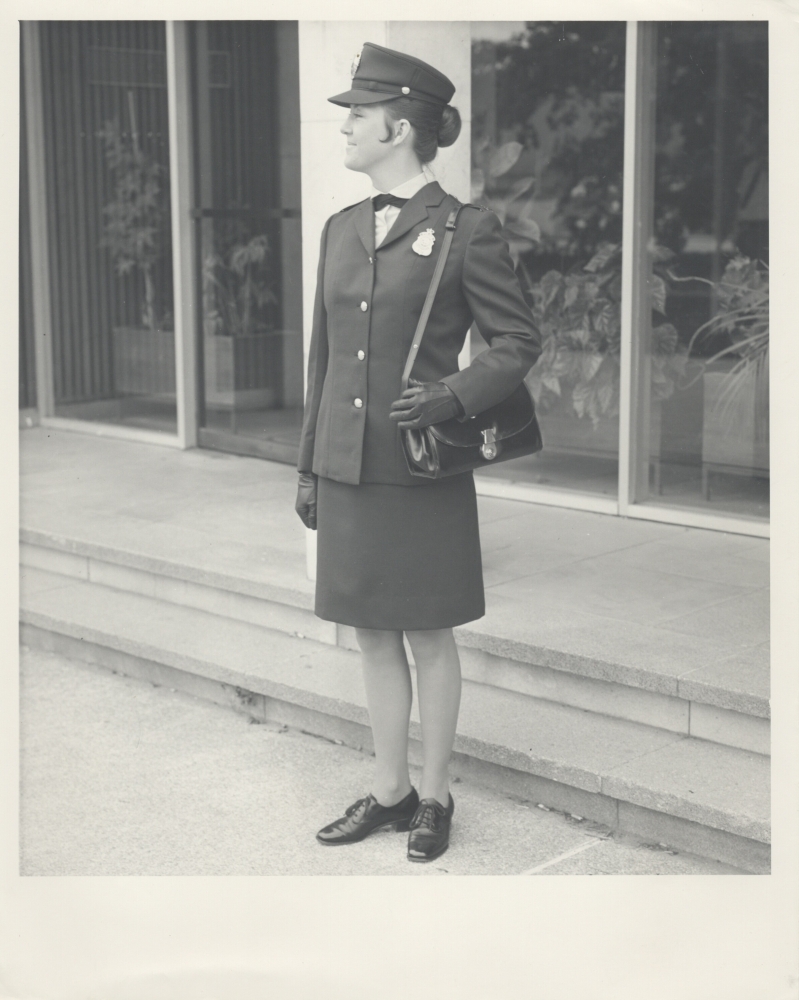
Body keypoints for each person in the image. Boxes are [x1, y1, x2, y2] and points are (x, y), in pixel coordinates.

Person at [295, 42, 541, 863]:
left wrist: (454, 393)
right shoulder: (337, 230)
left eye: (357, 116)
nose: (347, 130)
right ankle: (390, 790)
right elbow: (322, 362)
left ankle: (435, 795)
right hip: (348, 464)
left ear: (398, 127)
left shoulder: (467, 231)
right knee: (369, 632)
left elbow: (516, 339)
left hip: (420, 464)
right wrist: (307, 466)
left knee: (429, 633)